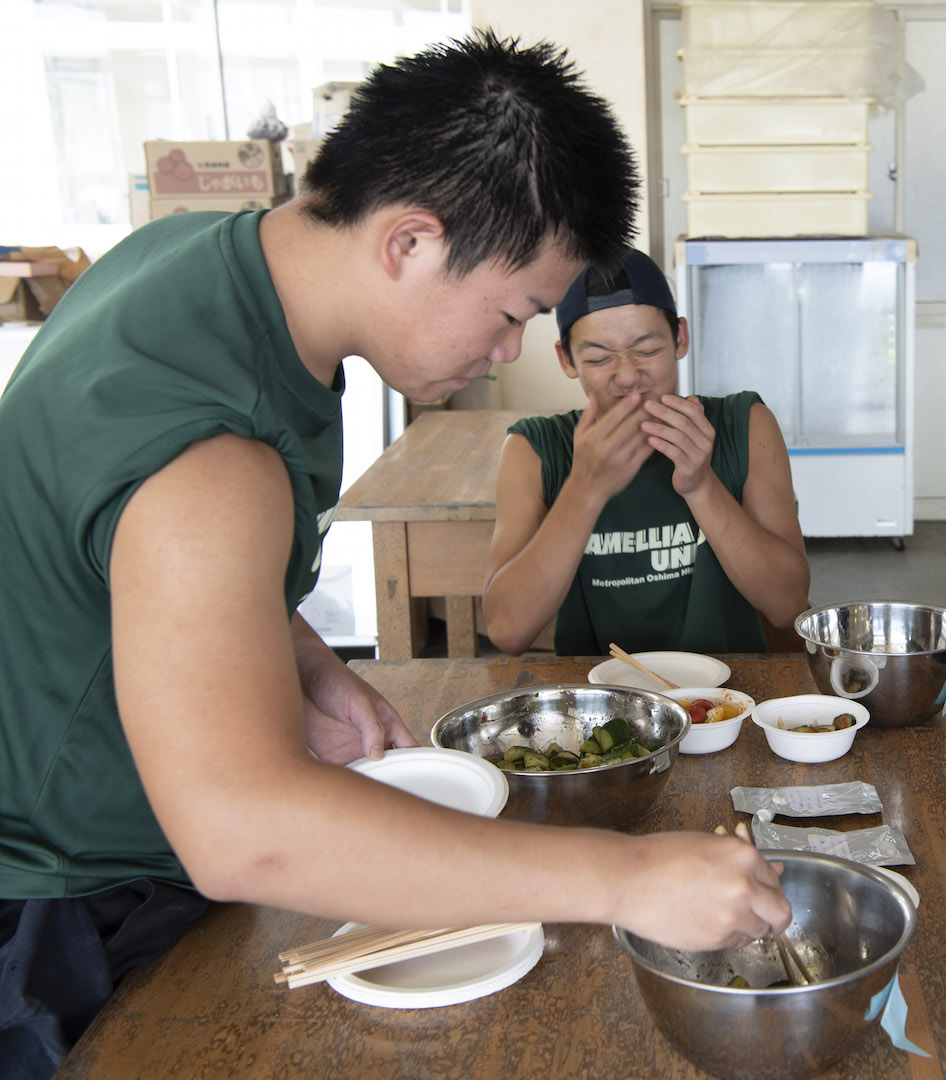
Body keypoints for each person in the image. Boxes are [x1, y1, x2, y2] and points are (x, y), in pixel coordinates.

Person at [0, 32, 789, 1076]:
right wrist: (627, 878)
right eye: (513, 312)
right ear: (409, 241)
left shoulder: (202, 269)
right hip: (74, 898)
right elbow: (246, 832)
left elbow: (124, 550)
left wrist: (305, 661)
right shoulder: (211, 449)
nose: (510, 351)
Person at [482, 248, 810, 657]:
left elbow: (788, 606)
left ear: (680, 338)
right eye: (599, 358)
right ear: (566, 359)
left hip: (725, 702)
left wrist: (701, 485)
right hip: (597, 707)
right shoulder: (534, 451)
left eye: (647, 350)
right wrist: (585, 488)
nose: (627, 376)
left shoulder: (744, 425)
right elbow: (506, 630)